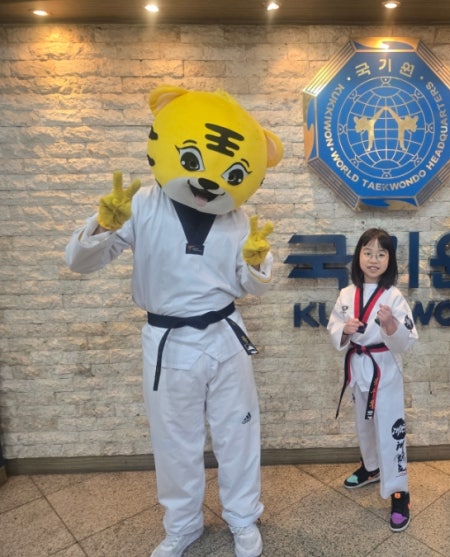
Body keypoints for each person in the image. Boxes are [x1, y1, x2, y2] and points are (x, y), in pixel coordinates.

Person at [66, 85, 283, 557]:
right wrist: (103, 225)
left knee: (238, 431)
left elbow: (254, 288)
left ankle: (243, 518)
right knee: (174, 440)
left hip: (225, 334)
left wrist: (257, 264)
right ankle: (182, 525)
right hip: (167, 339)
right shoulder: (142, 203)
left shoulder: (240, 219)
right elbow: (79, 262)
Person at [327, 228, 418, 532]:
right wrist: (345, 330)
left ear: (390, 260)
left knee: (390, 429)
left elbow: (406, 341)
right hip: (359, 367)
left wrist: (391, 324)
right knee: (364, 424)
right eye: (368, 252)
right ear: (358, 256)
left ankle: (399, 491)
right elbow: (334, 327)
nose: (373, 259)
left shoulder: (394, 296)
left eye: (381, 253)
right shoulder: (346, 293)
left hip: (385, 369)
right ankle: (371, 467)